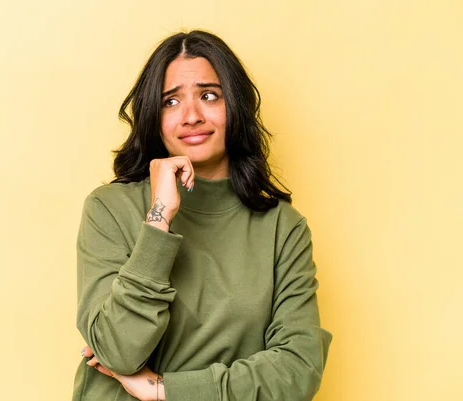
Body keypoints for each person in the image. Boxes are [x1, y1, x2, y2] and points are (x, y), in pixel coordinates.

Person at [73, 30, 332, 401]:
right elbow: (118, 351)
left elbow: (298, 370)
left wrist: (163, 390)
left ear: (235, 107)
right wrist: (159, 218)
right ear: (153, 116)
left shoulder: (282, 228)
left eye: (209, 96)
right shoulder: (109, 209)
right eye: (170, 102)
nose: (191, 116)